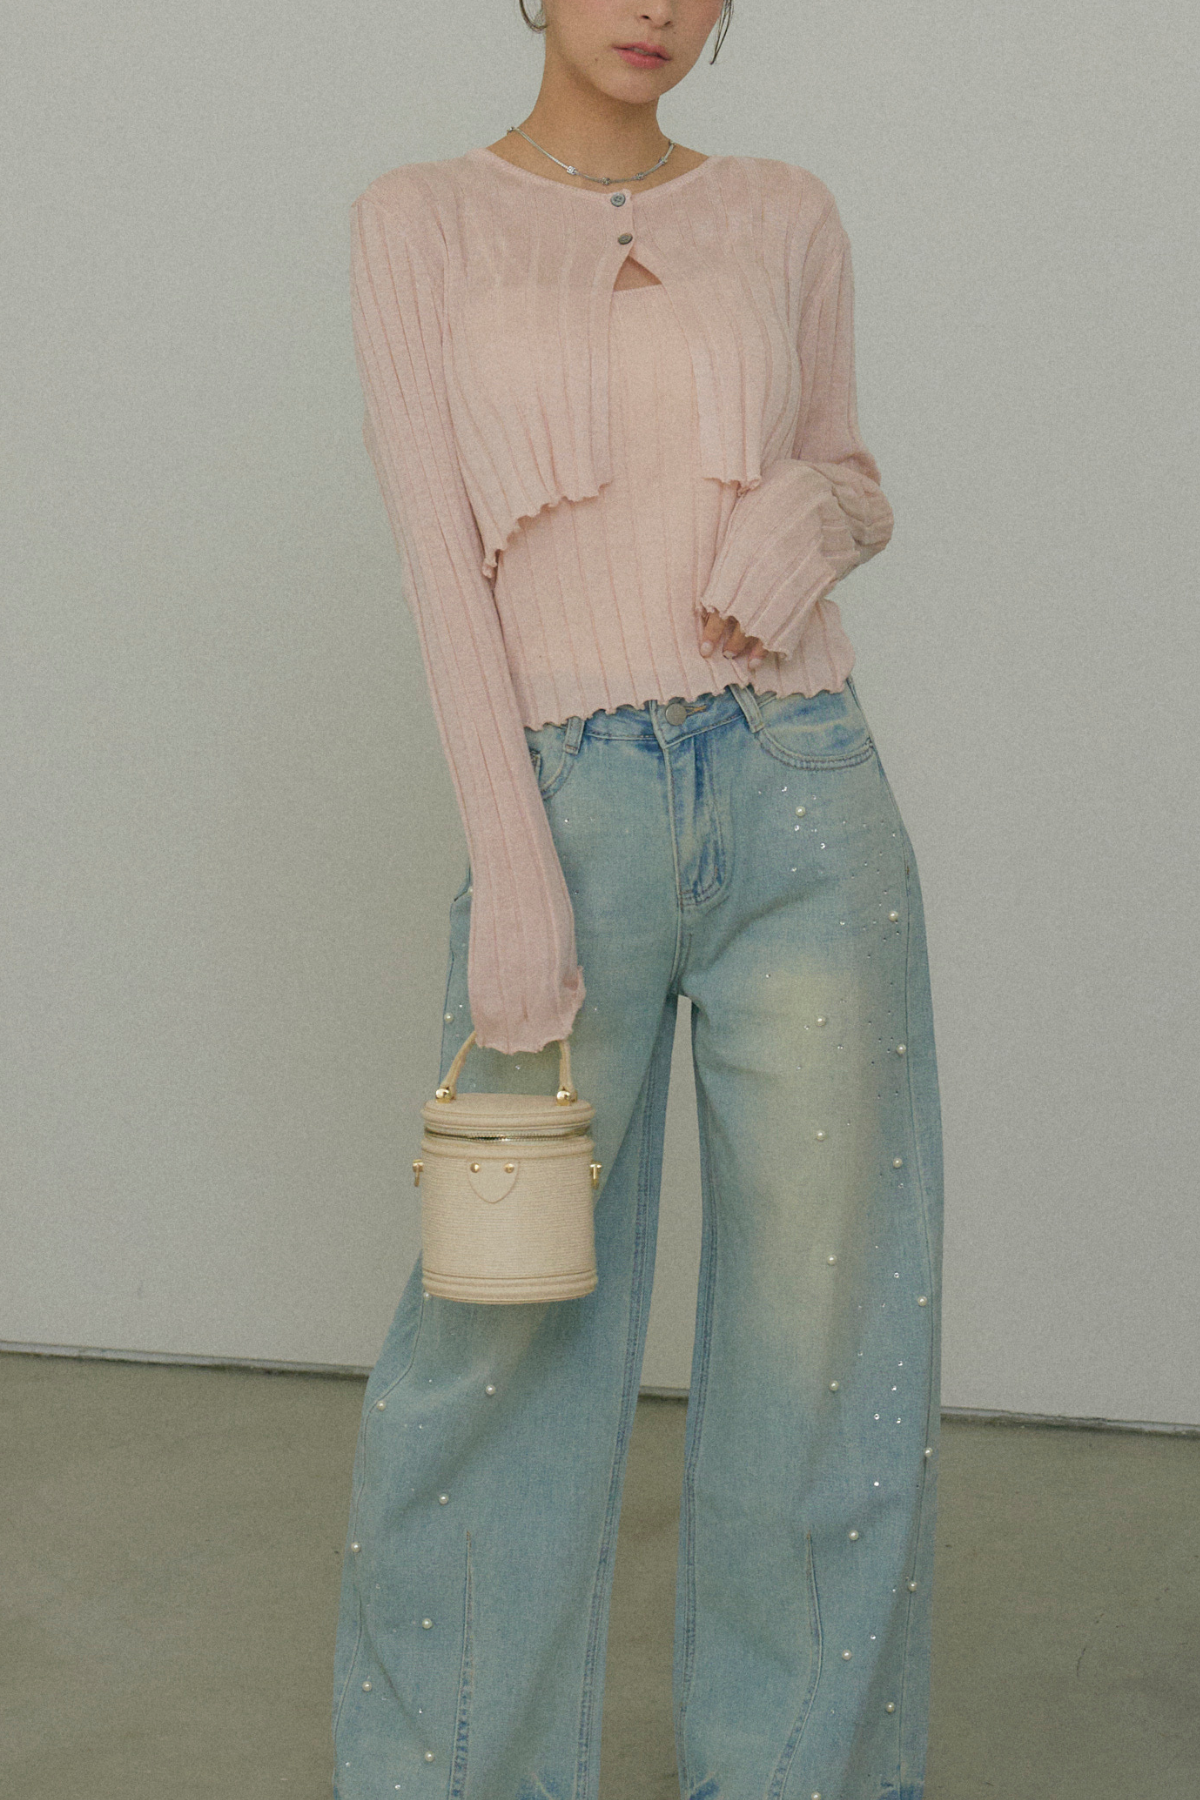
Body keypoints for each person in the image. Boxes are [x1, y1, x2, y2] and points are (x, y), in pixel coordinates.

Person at [332, 2, 943, 1796]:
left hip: (803, 786)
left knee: (825, 1346)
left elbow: (853, 477)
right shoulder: (420, 219)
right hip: (566, 797)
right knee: (499, 1334)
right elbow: (438, 560)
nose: (655, 6)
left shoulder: (784, 208)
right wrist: (517, 865)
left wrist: (813, 522)